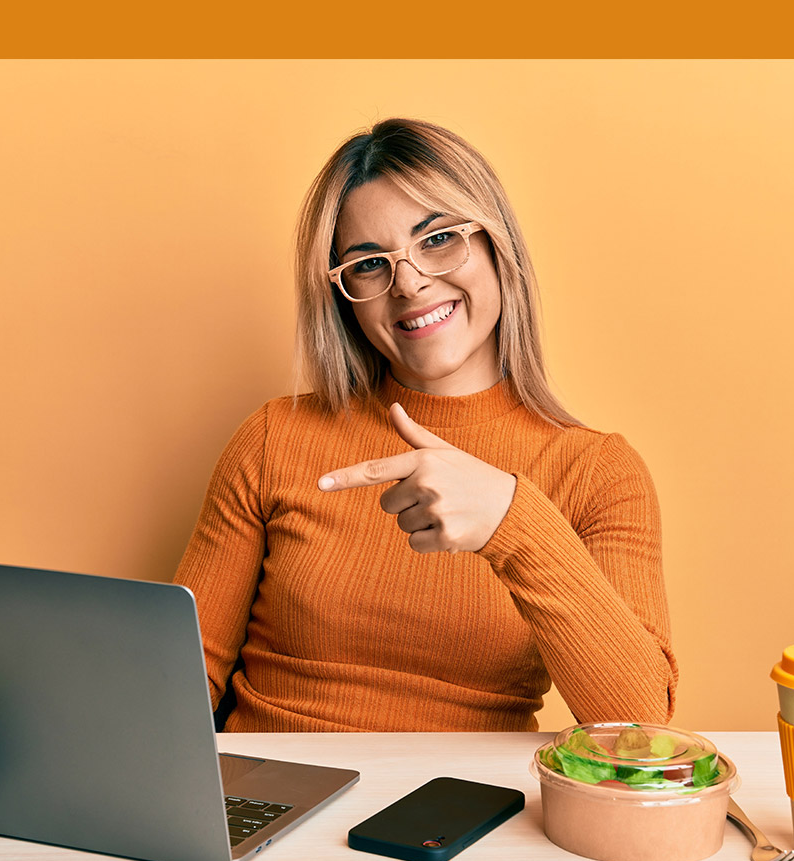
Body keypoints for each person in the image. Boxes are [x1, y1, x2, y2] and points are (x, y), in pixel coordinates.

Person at [174, 118, 677, 732]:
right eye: (368, 265)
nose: (408, 283)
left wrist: (513, 522)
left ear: (497, 246)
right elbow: (179, 683)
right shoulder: (275, 436)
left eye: (438, 238)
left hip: (463, 814)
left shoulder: (597, 471)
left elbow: (644, 730)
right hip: (271, 798)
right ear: (342, 295)